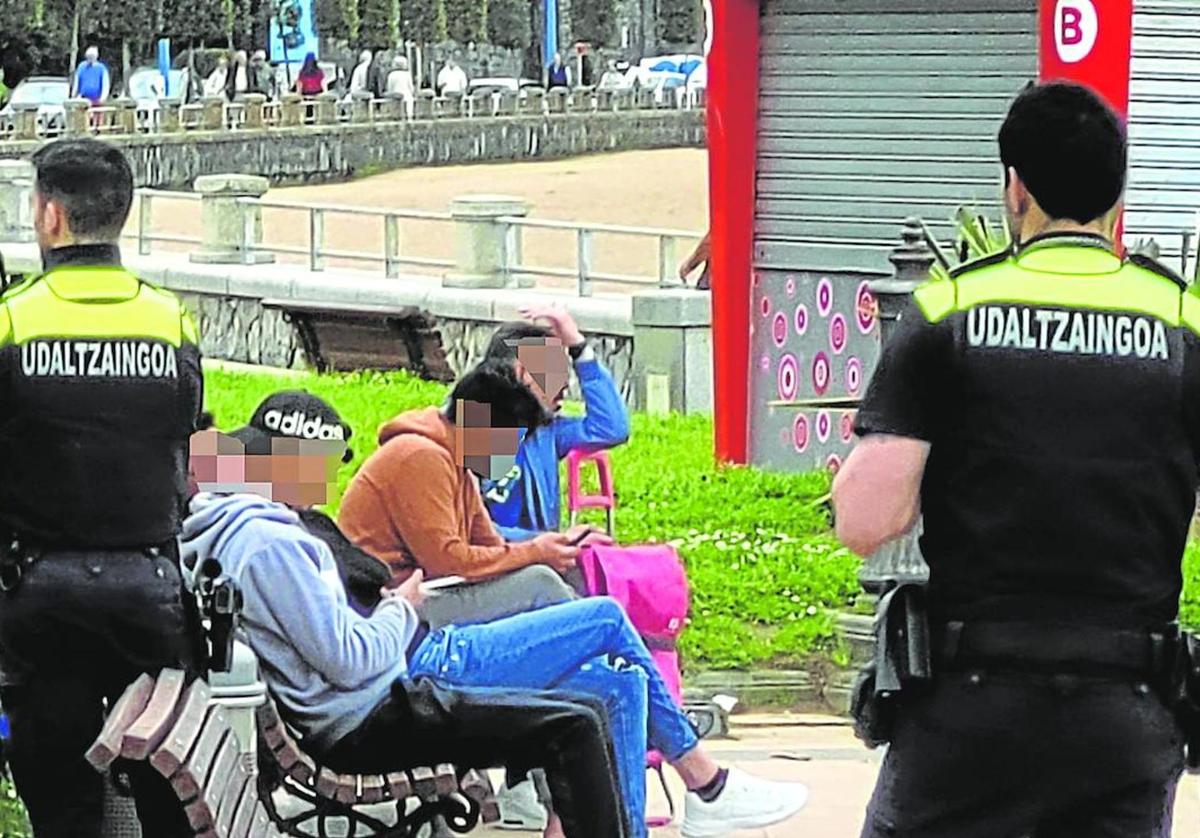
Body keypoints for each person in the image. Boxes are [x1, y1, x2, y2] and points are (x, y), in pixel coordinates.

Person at [833, 81, 1195, 837]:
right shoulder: (1183, 321)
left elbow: (867, 522)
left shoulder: (948, 312)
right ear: (1116, 193)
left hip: (968, 711)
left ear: (1016, 187)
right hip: (1124, 712)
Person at [185, 435, 808, 838]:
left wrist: (530, 542)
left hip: (401, 661)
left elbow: (489, 536)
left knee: (609, 682)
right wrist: (405, 606)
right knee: (597, 620)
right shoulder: (283, 534)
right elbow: (436, 570)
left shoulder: (283, 525)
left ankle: (682, 800)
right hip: (406, 669)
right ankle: (705, 780)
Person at [0, 138, 204, 837]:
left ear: (50, 216)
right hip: (151, 593)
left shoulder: (13, 322)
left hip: (42, 596)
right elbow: (183, 442)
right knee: (162, 793)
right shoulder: (170, 321)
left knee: (63, 803)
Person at [339, 361, 594, 629]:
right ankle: (602, 651)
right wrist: (534, 552)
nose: (509, 457)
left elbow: (490, 546)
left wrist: (552, 547)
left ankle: (599, 645)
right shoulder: (421, 457)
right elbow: (447, 562)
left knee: (559, 572)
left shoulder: (458, 461)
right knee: (540, 584)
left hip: (429, 590)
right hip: (389, 604)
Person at [481, 306, 630, 541]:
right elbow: (468, 532)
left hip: (538, 561)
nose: (564, 388)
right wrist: (551, 543)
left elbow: (611, 428)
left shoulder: (546, 431)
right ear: (522, 374)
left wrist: (580, 350)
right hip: (488, 567)